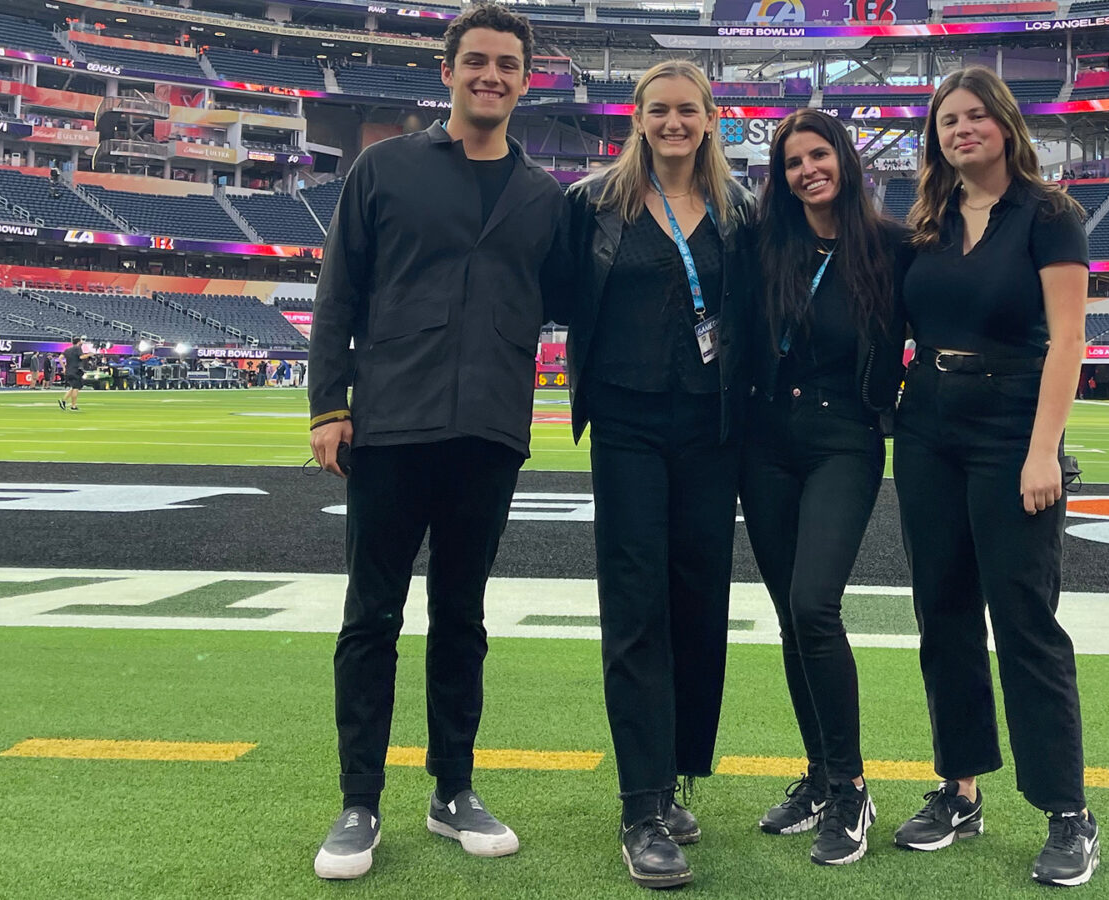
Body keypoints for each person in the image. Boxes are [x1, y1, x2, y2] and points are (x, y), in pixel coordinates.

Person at [306, 2, 568, 881]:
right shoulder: (384, 169)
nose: (491, 75)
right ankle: (358, 801)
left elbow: (580, 300)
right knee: (370, 617)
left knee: (462, 617)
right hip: (389, 424)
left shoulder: (544, 197)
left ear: (526, 81)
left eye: (508, 64)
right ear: (448, 70)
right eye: (477, 61)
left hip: (491, 430)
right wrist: (327, 407)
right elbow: (339, 291)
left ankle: (452, 788)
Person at [890, 66, 1098, 887]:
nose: (962, 129)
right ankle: (959, 789)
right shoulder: (929, 222)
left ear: (1006, 125)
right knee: (942, 616)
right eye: (948, 121)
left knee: (1025, 622)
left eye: (976, 116)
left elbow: (1069, 339)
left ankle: (1067, 811)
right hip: (927, 424)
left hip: (1012, 426)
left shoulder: (1051, 215)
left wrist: (1044, 449)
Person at [561, 59, 757, 889]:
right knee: (635, 604)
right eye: (659, 111)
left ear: (710, 119)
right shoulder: (591, 205)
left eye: (688, 111)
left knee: (698, 604)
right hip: (628, 424)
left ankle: (676, 776)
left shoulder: (740, 212)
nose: (674, 123)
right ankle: (640, 806)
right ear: (636, 118)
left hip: (711, 430)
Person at [739, 108, 910, 866]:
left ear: (843, 158)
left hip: (846, 439)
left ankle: (850, 787)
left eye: (819, 155)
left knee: (815, 605)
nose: (808, 170)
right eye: (792, 161)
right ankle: (816, 776)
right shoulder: (765, 241)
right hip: (767, 441)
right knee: (789, 617)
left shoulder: (894, 247)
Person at [59, 337, 86, 411]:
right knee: (76, 388)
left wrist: (64, 368)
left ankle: (63, 400)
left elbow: (60, 358)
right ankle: (73, 405)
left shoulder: (67, 349)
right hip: (75, 371)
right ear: (78, 342)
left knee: (73, 387)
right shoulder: (77, 348)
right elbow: (81, 357)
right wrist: (89, 354)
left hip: (69, 371)